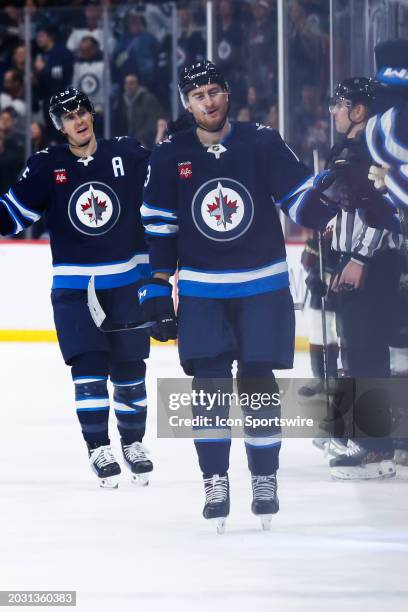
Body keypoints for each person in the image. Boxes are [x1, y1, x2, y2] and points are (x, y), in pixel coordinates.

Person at [138, 60, 339, 531]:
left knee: (257, 382)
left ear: (228, 94)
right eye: (198, 96)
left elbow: (300, 205)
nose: (208, 102)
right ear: (186, 103)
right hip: (204, 292)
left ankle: (264, 480)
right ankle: (215, 479)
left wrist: (330, 197)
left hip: (262, 287)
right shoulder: (170, 155)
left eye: (214, 92)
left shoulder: (261, 141)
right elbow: (160, 228)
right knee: (208, 387)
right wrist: (156, 286)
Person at [0, 87, 153, 489]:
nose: (78, 120)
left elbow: (166, 193)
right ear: (59, 125)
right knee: (88, 369)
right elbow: (10, 217)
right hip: (75, 288)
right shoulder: (47, 166)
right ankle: (98, 447)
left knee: (130, 370)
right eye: (68, 116)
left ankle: (133, 442)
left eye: (82, 111)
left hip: (127, 282)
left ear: (92, 113)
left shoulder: (127, 154)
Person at [319, 78, 401, 479]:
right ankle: (373, 440)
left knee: (366, 351)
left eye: (339, 104)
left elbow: (385, 209)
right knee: (359, 350)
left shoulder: (370, 148)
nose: (333, 111)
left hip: (372, 264)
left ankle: (375, 447)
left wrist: (358, 258)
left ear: (359, 111)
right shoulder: (352, 149)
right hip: (356, 260)